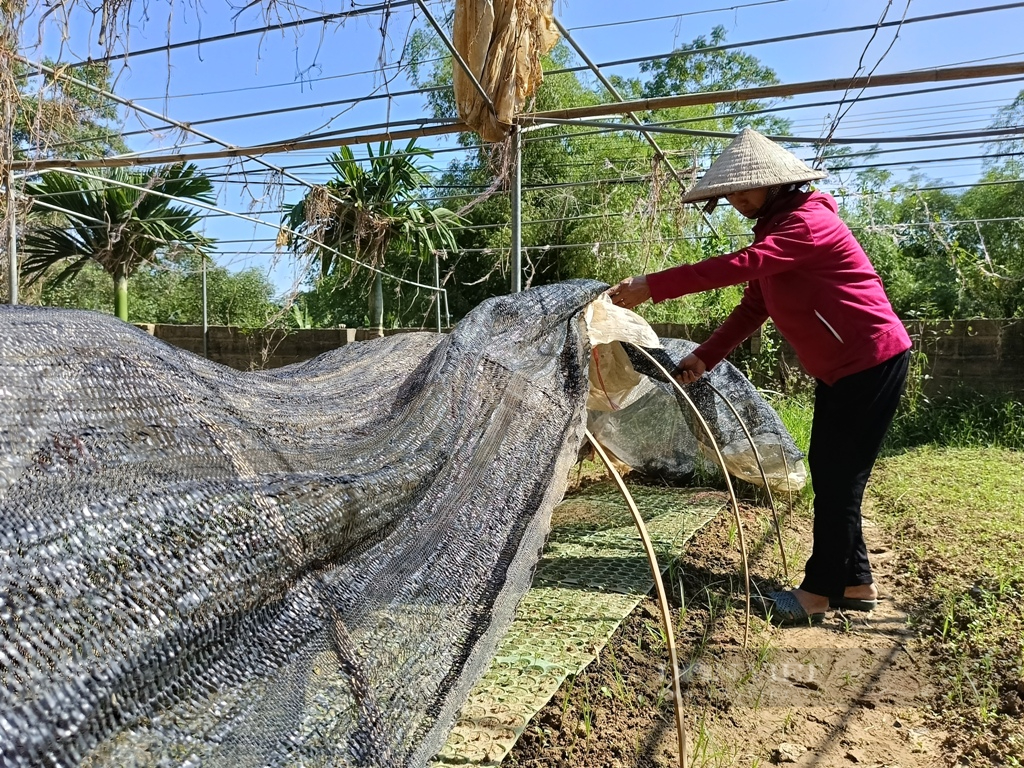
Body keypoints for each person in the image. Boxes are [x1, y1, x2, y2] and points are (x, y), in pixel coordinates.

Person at [607, 128, 912, 627]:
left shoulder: (809, 223)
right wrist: (705, 356)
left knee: (840, 477)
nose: (735, 199)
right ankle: (856, 582)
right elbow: (755, 304)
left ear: (778, 184)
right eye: (729, 193)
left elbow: (745, 266)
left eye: (745, 189)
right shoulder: (775, 229)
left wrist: (654, 286)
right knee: (832, 469)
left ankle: (818, 593)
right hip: (842, 367)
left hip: (870, 358)